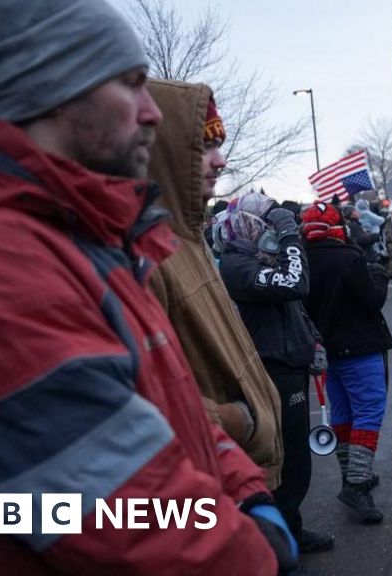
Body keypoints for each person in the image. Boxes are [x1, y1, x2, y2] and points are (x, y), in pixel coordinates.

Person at [0, 0, 295, 573]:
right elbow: (97, 512)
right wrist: (248, 551)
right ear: (55, 86)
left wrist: (246, 492)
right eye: (130, 84)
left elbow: (172, 416)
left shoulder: (87, 237)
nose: (152, 114)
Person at [145, 79, 284, 491]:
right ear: (164, 152)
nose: (220, 161)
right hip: (210, 488)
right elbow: (142, 404)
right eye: (203, 147)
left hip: (242, 476)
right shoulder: (149, 258)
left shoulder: (190, 240)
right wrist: (240, 420)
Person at [213, 190, 337, 559]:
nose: (267, 231)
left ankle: (290, 530)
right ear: (245, 226)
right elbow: (295, 283)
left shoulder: (255, 257)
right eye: (262, 225)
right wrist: (287, 234)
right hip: (272, 369)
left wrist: (312, 341)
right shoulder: (236, 264)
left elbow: (294, 305)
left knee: (295, 456)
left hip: (289, 364)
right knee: (287, 459)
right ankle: (277, 548)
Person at [300, 202, 392, 525]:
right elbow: (373, 300)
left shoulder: (301, 259)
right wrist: (379, 274)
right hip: (360, 349)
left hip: (328, 352)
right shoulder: (349, 257)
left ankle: (351, 476)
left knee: (342, 414)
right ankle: (356, 484)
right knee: (368, 410)